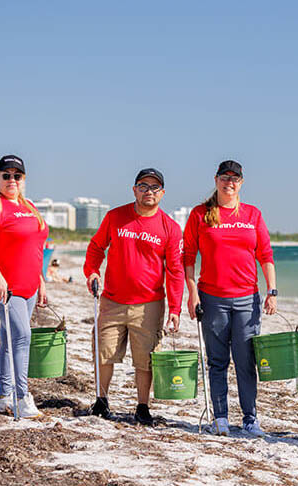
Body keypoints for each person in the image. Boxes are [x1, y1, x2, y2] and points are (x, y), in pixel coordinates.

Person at [183, 160, 277, 437]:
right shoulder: (201, 214)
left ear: (241, 183)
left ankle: (250, 418)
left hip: (247, 300)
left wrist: (272, 291)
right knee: (218, 361)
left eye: (235, 178)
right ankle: (220, 417)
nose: (229, 182)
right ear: (216, 180)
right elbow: (188, 257)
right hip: (212, 299)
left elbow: (266, 255)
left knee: (246, 360)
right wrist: (191, 294)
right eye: (225, 177)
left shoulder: (253, 215)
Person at [83, 168, 184, 425]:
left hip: (148, 304)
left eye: (154, 188)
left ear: (162, 193)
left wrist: (175, 309)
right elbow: (96, 248)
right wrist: (92, 273)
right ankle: (101, 401)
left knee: (145, 359)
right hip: (112, 300)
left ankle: (142, 406)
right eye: (143, 186)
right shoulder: (116, 217)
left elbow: (175, 271)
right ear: (134, 189)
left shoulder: (170, 228)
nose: (148, 192)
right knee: (104, 352)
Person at [0, 154, 48, 418]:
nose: (11, 180)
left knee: (8, 338)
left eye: (17, 176)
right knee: (22, 336)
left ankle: (3, 396)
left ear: (23, 179)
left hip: (29, 287)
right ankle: (22, 397)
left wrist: (40, 279)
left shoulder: (29, 207)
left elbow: (35, 247)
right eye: (6, 175)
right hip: (3, 287)